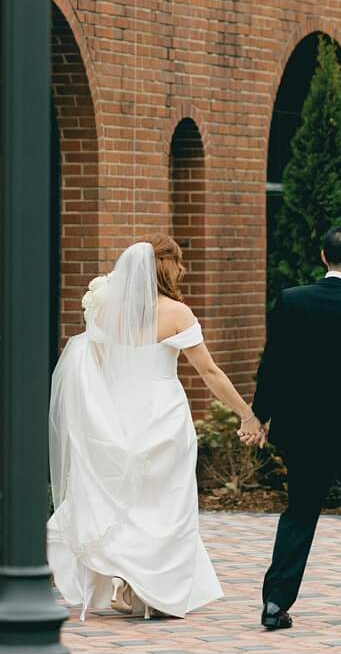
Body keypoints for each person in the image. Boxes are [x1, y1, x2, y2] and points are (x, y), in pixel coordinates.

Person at [45, 236, 234, 620]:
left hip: (117, 416)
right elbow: (209, 371)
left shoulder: (104, 313)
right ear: (166, 267)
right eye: (179, 263)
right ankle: (152, 588)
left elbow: (94, 369)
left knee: (124, 500)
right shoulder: (178, 312)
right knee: (166, 503)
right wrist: (246, 413)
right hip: (164, 414)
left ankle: (126, 579)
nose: (183, 270)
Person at [250, 224, 341, 631]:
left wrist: (260, 414)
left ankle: (274, 603)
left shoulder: (291, 301)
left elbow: (273, 364)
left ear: (322, 257)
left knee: (299, 513)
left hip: (301, 432)